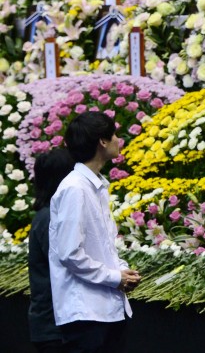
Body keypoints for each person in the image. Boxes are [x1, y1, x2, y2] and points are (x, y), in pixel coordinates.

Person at [49, 111, 140, 353]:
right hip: (86, 316)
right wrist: (115, 277)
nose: (119, 140)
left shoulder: (94, 186)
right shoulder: (75, 188)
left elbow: (103, 245)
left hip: (106, 311)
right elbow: (69, 253)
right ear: (102, 141)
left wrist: (121, 271)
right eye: (114, 135)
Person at [28, 148, 76, 353]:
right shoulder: (50, 218)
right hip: (54, 327)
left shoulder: (48, 215)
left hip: (55, 325)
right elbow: (69, 262)